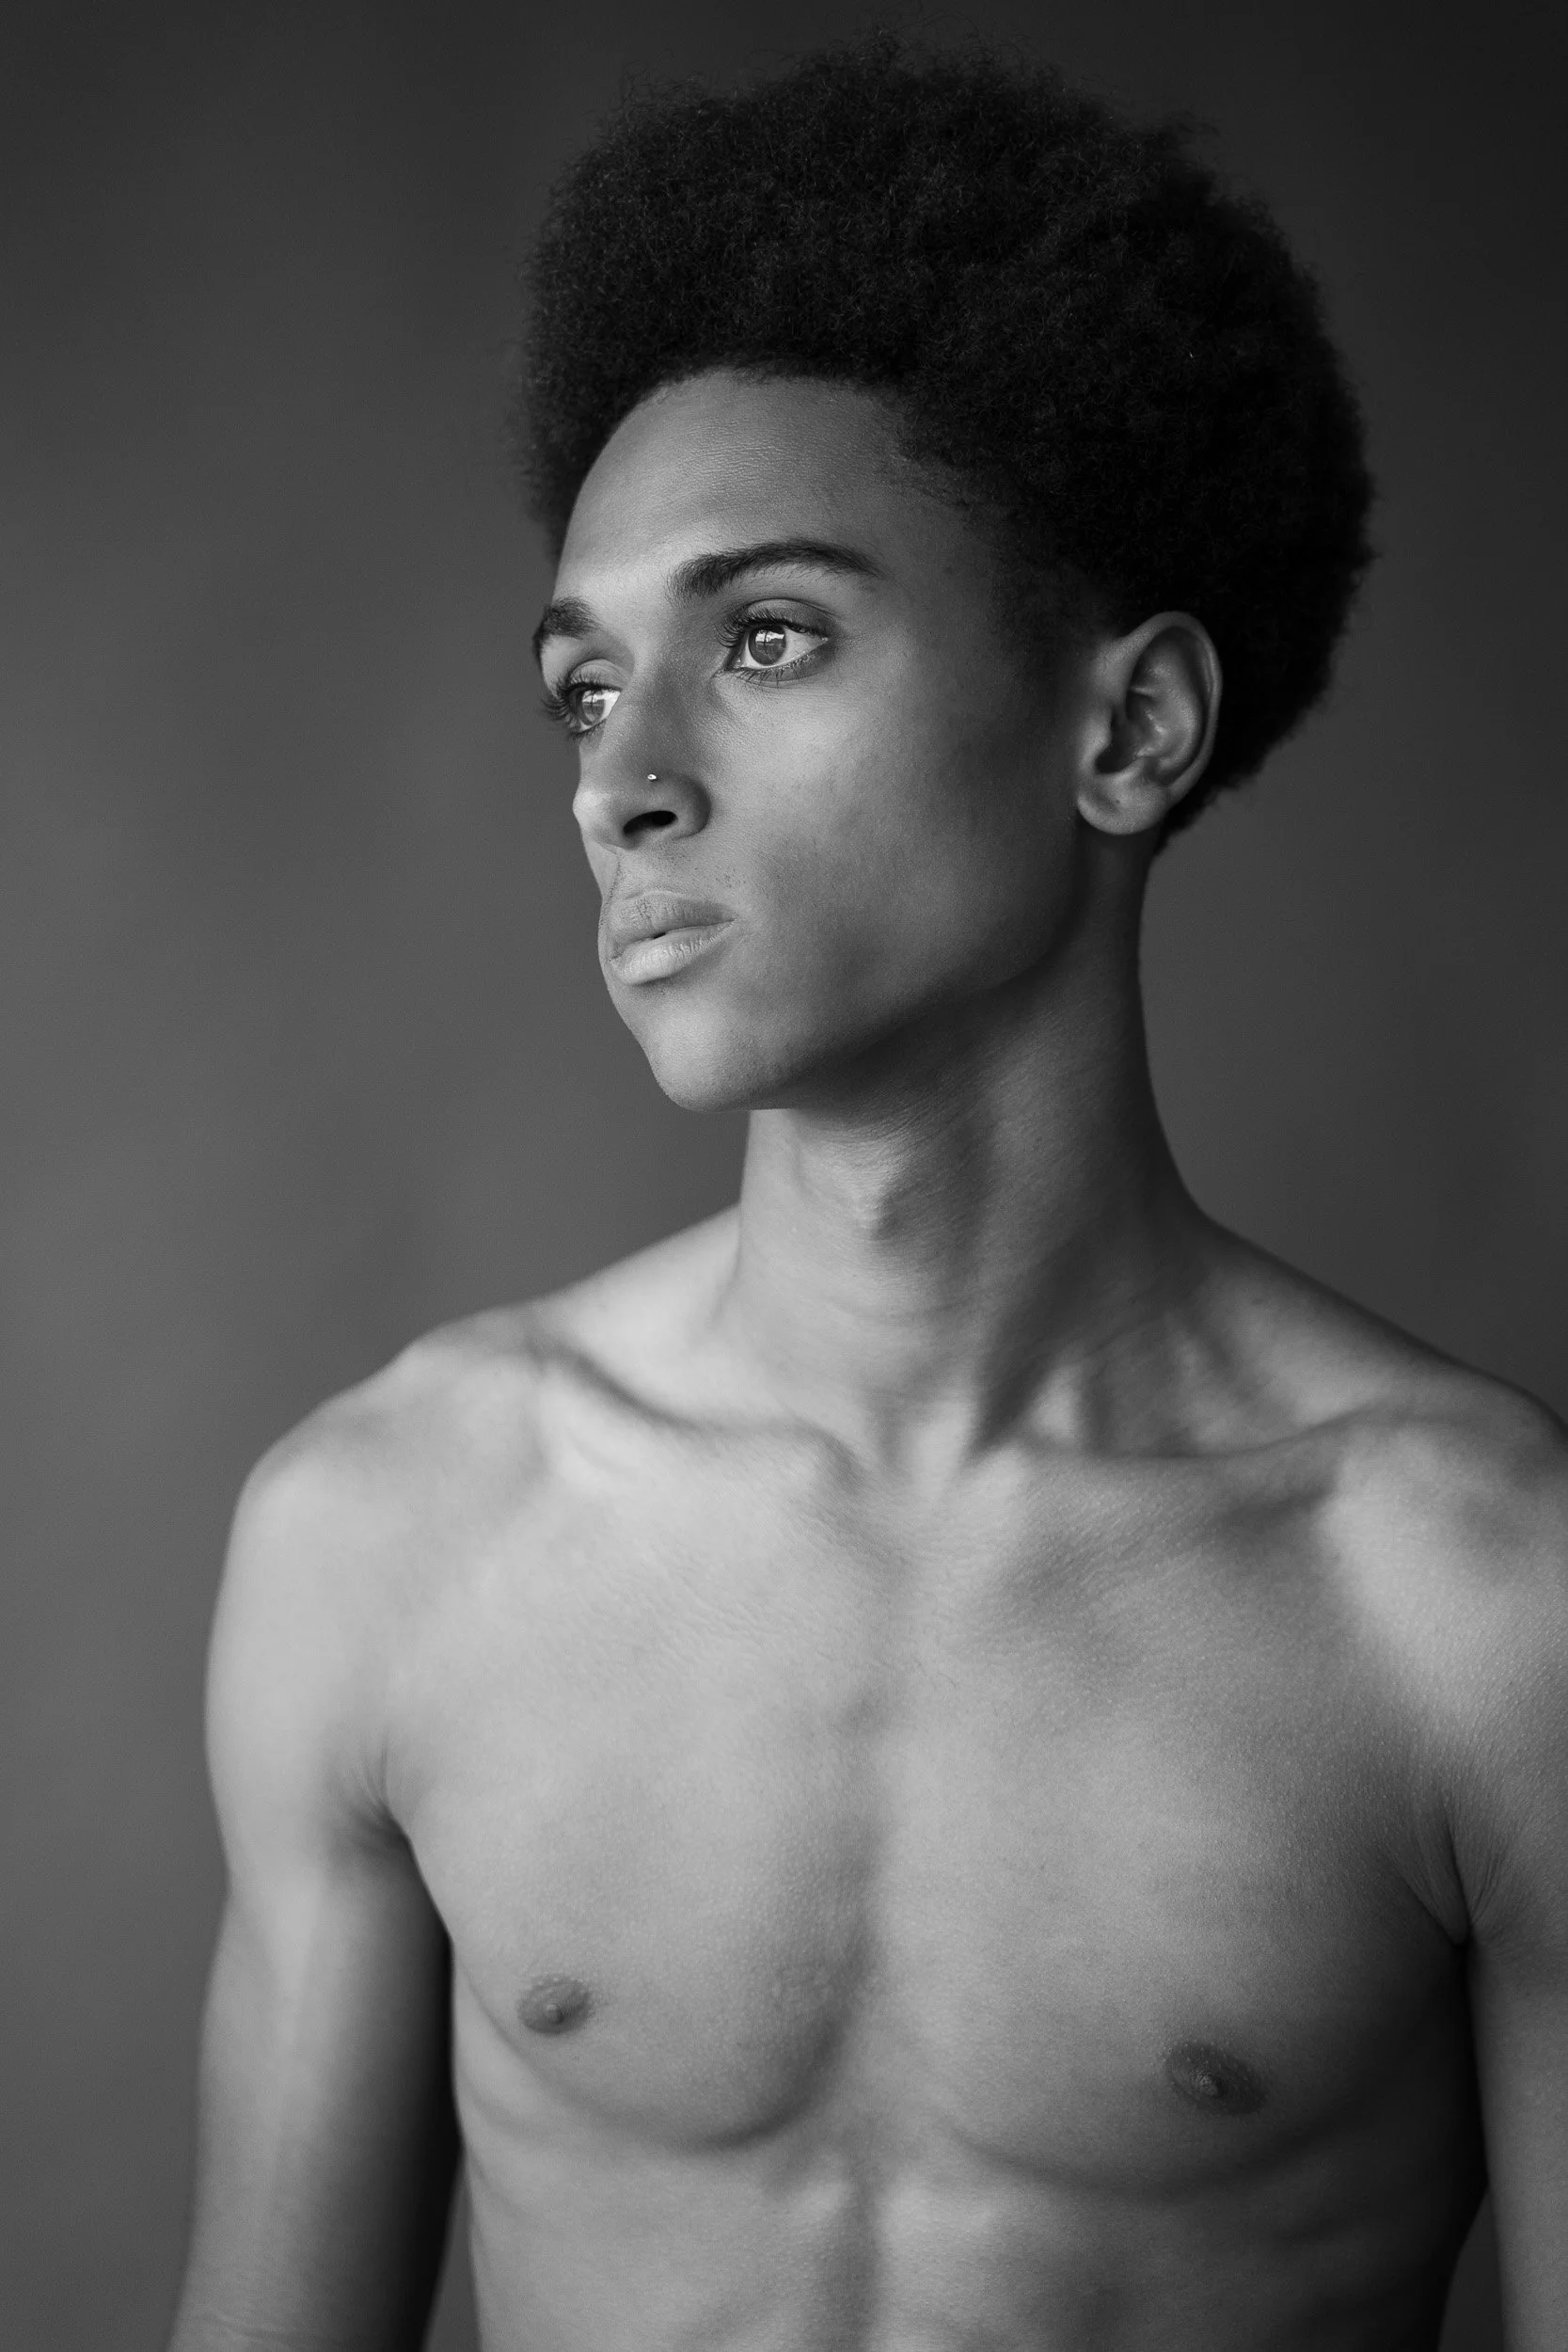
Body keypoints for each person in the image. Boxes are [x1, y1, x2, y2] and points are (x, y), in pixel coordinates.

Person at [167, 37, 1568, 2352]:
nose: (625, 780)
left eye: (769, 636)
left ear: (1123, 731)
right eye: (578, 686)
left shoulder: (1473, 1608)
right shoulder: (391, 1532)